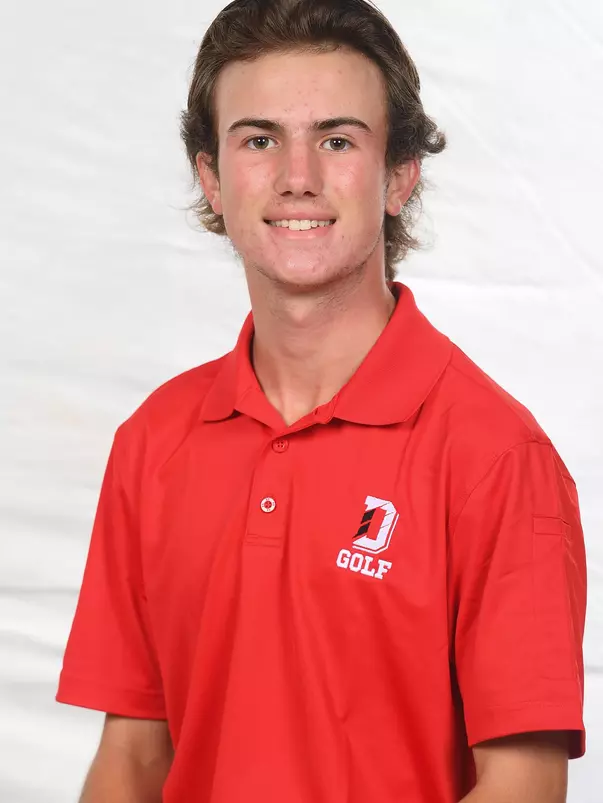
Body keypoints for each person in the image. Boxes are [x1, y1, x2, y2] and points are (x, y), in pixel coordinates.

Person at [56, 1, 587, 801]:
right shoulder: (154, 439)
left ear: (397, 176)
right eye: (259, 139)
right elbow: (131, 759)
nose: (296, 174)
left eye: (337, 140)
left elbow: (523, 783)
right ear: (212, 176)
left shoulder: (494, 454)